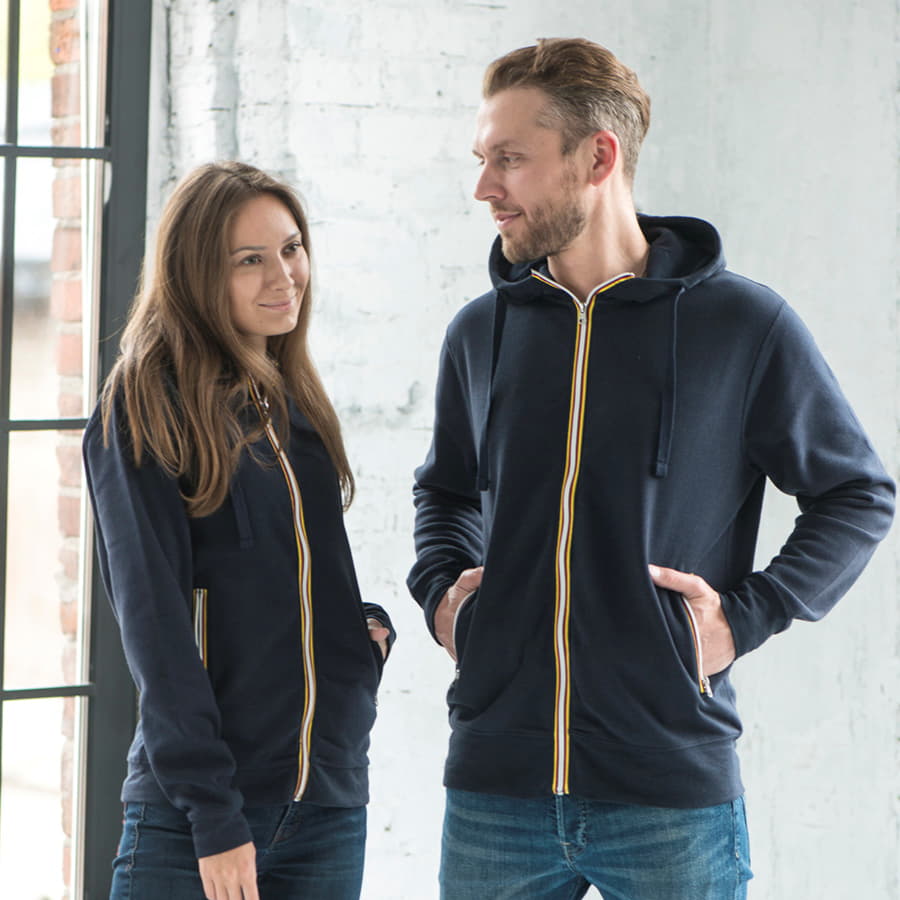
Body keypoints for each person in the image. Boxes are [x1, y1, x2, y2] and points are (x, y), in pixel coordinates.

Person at [408, 38, 894, 900]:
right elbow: (445, 489)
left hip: (668, 790)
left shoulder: (741, 326)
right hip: (495, 789)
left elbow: (855, 493)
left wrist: (745, 617)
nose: (484, 188)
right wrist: (447, 598)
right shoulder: (480, 332)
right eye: (482, 160)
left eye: (509, 160)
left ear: (597, 158)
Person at [83, 161, 393, 900]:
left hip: (327, 807)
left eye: (291, 248)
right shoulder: (144, 407)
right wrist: (212, 814)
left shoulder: (295, 406)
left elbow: (310, 575)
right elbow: (156, 625)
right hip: (197, 820)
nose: (283, 276)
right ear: (196, 274)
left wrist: (361, 642)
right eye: (249, 260)